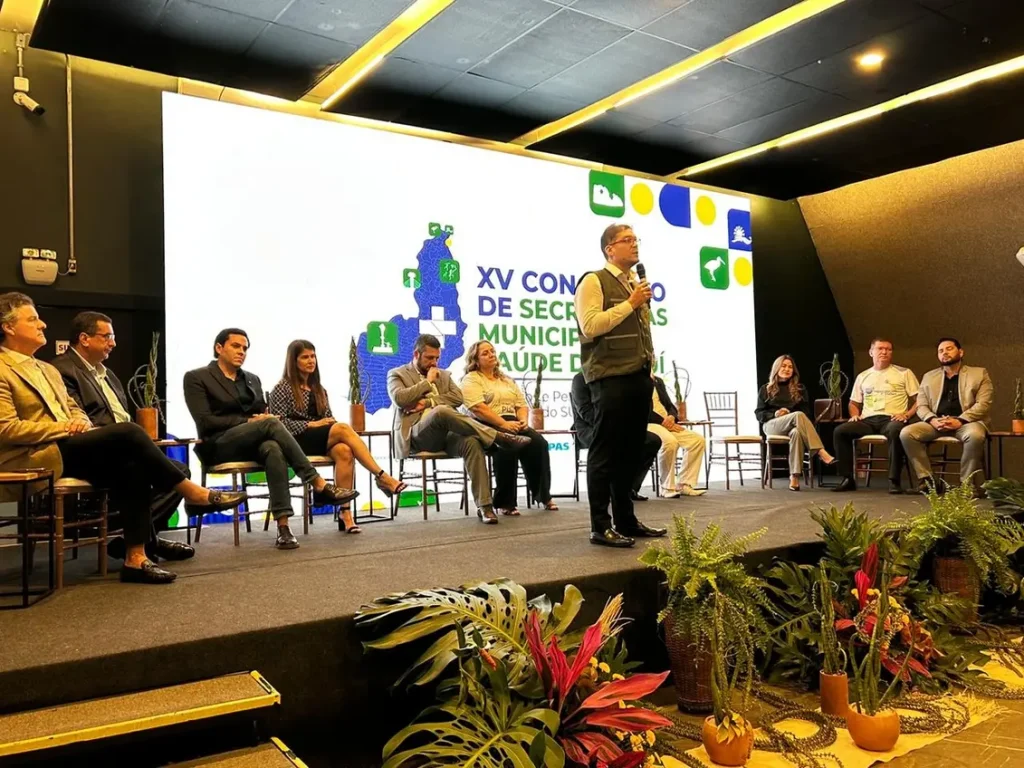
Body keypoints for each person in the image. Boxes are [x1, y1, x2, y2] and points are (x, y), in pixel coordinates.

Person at [0, 293, 246, 584]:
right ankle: (194, 494)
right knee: (130, 433)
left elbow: (74, 408)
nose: (42, 324)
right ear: (9, 327)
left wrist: (76, 421)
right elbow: (6, 428)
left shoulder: (47, 369)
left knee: (134, 466)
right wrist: (66, 428)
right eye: (32, 319)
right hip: (35, 454)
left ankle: (136, 557)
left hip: (70, 447)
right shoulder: (5, 369)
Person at [183, 328, 358, 550]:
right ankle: (317, 482)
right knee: (272, 423)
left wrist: (261, 418)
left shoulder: (251, 379)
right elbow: (205, 421)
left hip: (252, 441)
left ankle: (283, 528)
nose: (241, 352)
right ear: (219, 348)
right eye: (236, 346)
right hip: (218, 444)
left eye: (245, 348)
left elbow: (259, 411)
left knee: (273, 447)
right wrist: (249, 422)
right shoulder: (197, 377)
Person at [52, 310, 196, 561]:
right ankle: (146, 542)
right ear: (84, 338)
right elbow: (77, 421)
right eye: (107, 336)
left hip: (121, 449)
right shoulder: (61, 371)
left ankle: (137, 540)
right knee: (139, 467)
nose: (113, 343)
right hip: (87, 451)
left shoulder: (108, 374)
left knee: (178, 470)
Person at [573, 223, 667, 547]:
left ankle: (626, 520)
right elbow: (589, 326)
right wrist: (630, 302)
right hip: (610, 377)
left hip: (638, 377)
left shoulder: (633, 282)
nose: (634, 245)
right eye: (626, 240)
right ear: (609, 249)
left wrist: (649, 367)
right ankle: (601, 525)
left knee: (630, 451)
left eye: (636, 239)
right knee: (605, 453)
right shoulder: (593, 280)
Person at [387, 334, 529, 524]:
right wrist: (427, 383)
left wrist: (429, 401)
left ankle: (485, 507)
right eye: (429, 358)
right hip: (417, 434)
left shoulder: (443, 374)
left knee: (471, 441)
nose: (434, 362)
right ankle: (497, 437)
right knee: (441, 412)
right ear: (416, 354)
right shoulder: (398, 374)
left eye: (437, 358)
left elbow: (458, 398)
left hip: (445, 435)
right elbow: (400, 399)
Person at [268, 339, 406, 533]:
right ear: (293, 361)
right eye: (305, 357)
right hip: (294, 441)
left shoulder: (319, 389)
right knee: (342, 429)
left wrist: (325, 423)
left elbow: (327, 419)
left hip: (319, 440)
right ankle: (381, 476)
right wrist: (311, 424)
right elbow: (277, 424)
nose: (311, 361)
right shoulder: (282, 388)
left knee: (344, 450)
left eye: (313, 356)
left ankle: (345, 513)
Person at [461, 341, 557, 515]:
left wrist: (522, 421)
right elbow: (477, 408)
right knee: (506, 447)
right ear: (475, 359)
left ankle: (543, 495)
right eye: (485, 353)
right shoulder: (471, 379)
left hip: (513, 422)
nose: (491, 354)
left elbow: (521, 404)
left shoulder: (506, 380)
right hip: (486, 425)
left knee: (538, 443)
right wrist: (503, 424)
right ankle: (505, 502)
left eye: (492, 351)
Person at [900, 337, 992, 495]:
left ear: (960, 352)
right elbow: (921, 405)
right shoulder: (929, 376)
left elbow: (984, 403)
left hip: (967, 422)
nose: (944, 353)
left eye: (949, 349)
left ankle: (966, 484)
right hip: (937, 422)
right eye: (941, 351)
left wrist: (960, 420)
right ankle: (928, 481)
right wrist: (932, 420)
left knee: (975, 435)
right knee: (907, 433)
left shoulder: (978, 373)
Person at [832, 338, 920, 494]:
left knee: (896, 431)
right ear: (871, 352)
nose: (884, 352)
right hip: (868, 420)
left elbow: (920, 400)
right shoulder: (863, 376)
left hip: (891, 419)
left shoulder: (904, 373)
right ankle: (848, 478)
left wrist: (907, 414)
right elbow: (853, 403)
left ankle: (894, 480)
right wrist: (854, 415)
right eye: (880, 348)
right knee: (840, 431)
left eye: (888, 349)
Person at [571, 371, 660, 500]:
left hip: (616, 425)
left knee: (652, 441)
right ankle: (609, 491)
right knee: (613, 441)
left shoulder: (613, 379)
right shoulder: (580, 379)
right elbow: (585, 412)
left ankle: (630, 488)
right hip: (590, 428)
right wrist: (610, 425)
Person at [755, 355, 835, 491]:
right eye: (784, 366)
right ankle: (820, 451)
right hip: (772, 425)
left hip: (794, 424)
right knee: (798, 415)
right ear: (776, 368)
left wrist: (789, 414)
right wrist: (775, 414)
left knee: (797, 432)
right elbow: (759, 413)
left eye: (790, 367)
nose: (787, 369)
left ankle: (794, 477)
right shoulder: (766, 389)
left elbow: (806, 413)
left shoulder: (800, 389)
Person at [649, 373, 706, 498]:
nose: (652, 360)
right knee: (670, 442)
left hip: (668, 423)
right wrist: (663, 422)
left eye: (653, 357)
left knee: (697, 440)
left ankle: (685, 484)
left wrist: (671, 416)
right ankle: (667, 487)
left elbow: (669, 404)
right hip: (650, 423)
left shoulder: (658, 381)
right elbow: (640, 409)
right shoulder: (635, 381)